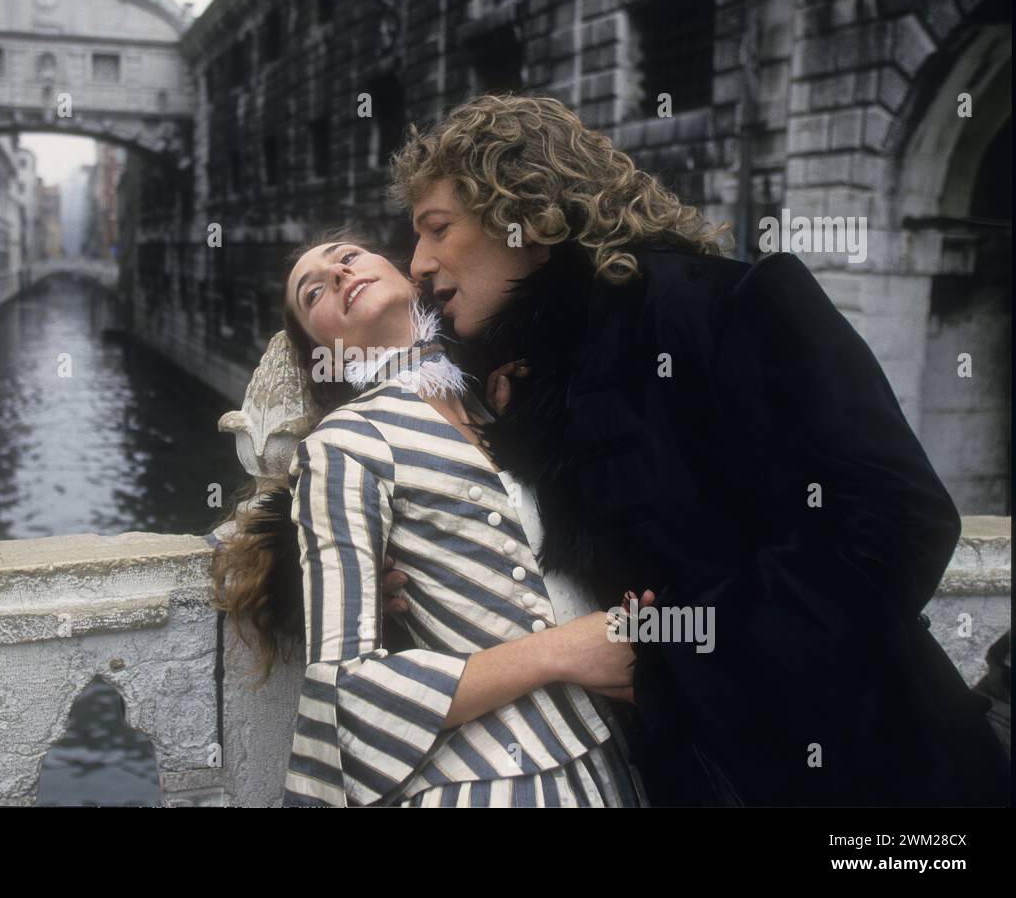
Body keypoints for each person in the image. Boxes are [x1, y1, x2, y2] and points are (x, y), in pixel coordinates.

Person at [385, 92, 1011, 806]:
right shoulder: (516, 385)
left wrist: (675, 653)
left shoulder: (727, 305)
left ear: (523, 209)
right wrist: (395, 567)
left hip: (875, 775)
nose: (418, 265)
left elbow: (897, 520)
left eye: (437, 229)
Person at [211, 227, 652, 807]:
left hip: (602, 761)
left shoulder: (499, 404)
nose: (339, 274)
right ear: (322, 351)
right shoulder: (344, 443)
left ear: (406, 272)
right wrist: (565, 651)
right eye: (312, 292)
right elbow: (345, 692)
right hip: (483, 783)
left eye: (348, 257)